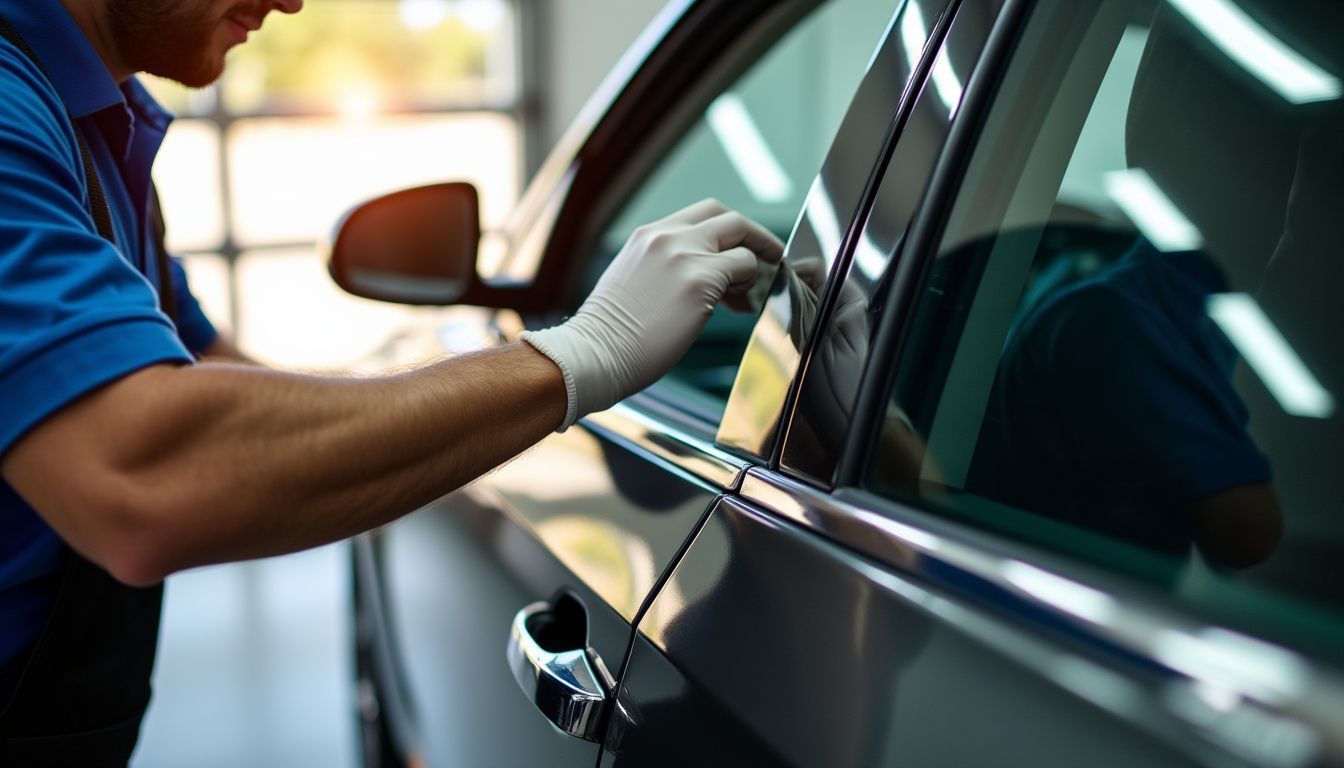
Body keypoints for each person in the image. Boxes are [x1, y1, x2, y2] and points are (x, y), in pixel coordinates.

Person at [0, 0, 784, 763]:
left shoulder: (98, 123)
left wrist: (445, 382)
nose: (291, 2)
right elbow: (145, 471)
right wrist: (583, 352)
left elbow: (211, 370)